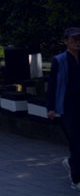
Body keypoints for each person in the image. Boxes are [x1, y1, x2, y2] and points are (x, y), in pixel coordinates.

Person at [47, 27, 80, 191]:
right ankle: (76, 179)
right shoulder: (60, 60)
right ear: (66, 41)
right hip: (68, 105)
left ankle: (70, 163)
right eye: (73, 39)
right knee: (75, 143)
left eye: (79, 39)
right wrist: (51, 108)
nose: (77, 42)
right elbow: (52, 85)